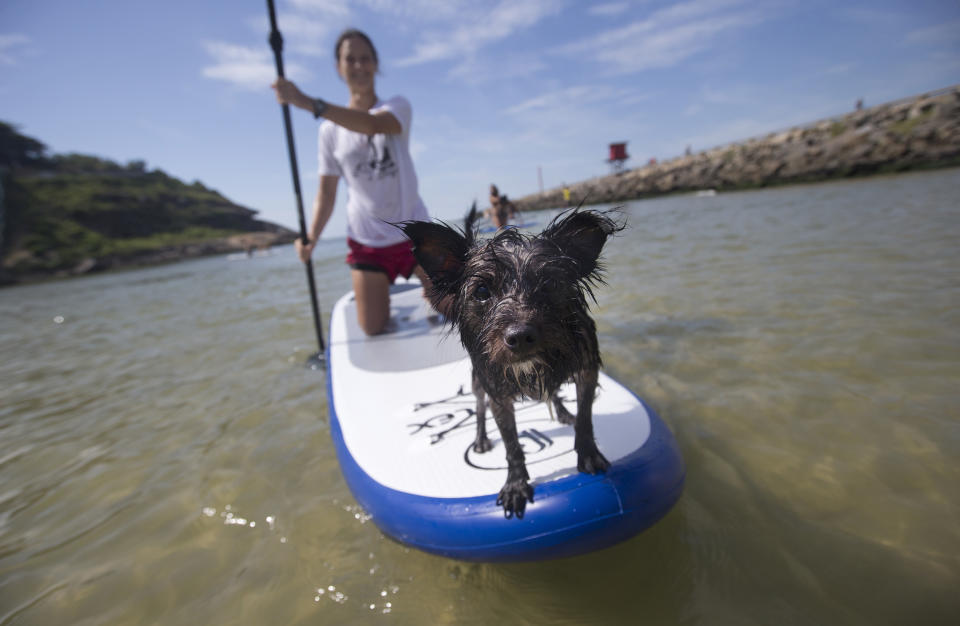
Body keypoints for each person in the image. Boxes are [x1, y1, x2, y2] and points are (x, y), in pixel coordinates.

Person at [272, 29, 433, 336]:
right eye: (350, 59)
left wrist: (308, 103)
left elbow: (373, 125)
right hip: (367, 240)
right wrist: (312, 237)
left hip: (415, 231)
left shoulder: (397, 106)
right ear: (338, 67)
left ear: (376, 64)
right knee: (372, 328)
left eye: (365, 58)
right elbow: (327, 191)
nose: (358, 66)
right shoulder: (329, 131)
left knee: (454, 305)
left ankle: (430, 291)